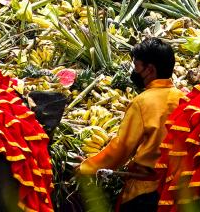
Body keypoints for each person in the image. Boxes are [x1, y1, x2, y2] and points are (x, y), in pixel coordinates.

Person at [77, 38, 185, 211]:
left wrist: (88, 167)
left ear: (150, 69)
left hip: (147, 192)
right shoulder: (184, 98)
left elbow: (121, 148)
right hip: (178, 191)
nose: (134, 71)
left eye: (136, 65)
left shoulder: (142, 102)